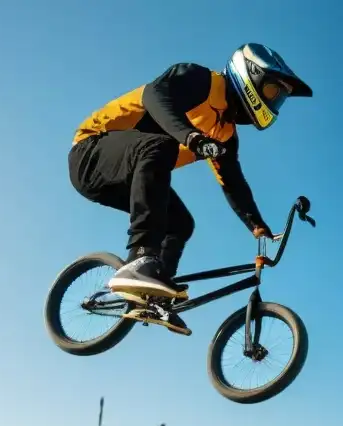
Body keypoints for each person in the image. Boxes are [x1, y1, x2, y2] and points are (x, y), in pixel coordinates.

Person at [68, 44, 313, 336]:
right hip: (91, 152)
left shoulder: (225, 135)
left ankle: (154, 295)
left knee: (181, 223)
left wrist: (257, 226)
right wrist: (192, 137)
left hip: (126, 177)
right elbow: (155, 96)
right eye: (274, 93)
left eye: (280, 99)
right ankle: (140, 258)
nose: (275, 103)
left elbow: (232, 183)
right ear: (252, 76)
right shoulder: (201, 80)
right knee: (160, 145)